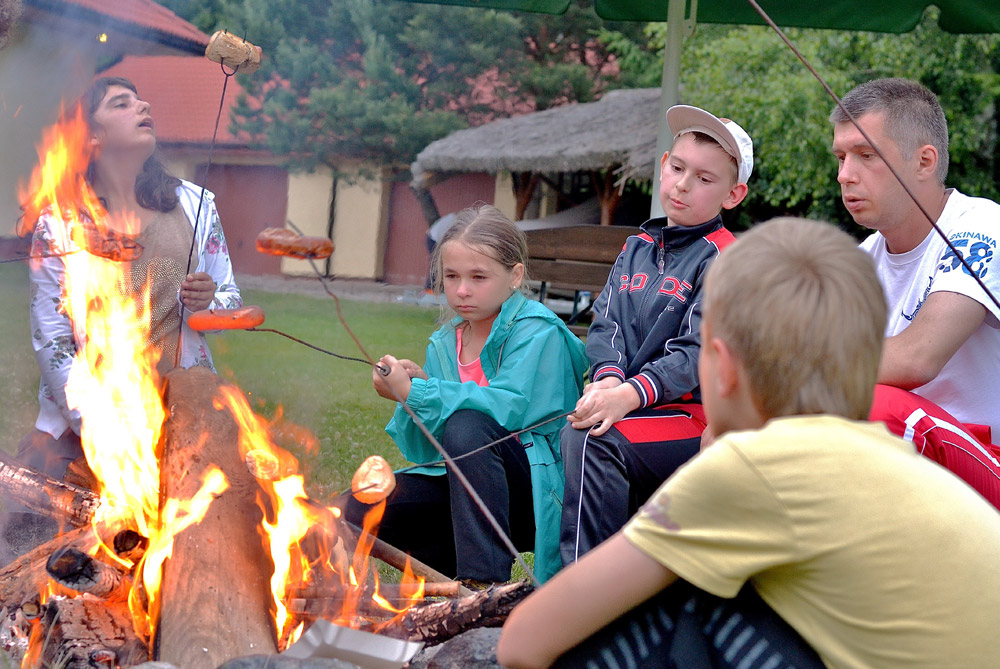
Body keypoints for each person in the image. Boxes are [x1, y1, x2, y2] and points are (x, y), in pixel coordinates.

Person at [498, 217, 1000, 669]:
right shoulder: (894, 458)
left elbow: (521, 642)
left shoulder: (756, 469)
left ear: (723, 364)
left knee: (686, 614)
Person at [344, 204, 588, 584]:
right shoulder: (444, 342)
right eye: (452, 276)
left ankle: (483, 584)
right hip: (465, 492)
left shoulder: (540, 332)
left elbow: (511, 409)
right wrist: (411, 394)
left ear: (514, 276)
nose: (461, 290)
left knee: (467, 425)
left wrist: (425, 394)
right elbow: (427, 450)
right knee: (357, 506)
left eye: (478, 277)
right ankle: (440, 578)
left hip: (534, 493)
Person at [17, 76, 241, 486]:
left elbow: (229, 302)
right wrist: (105, 430)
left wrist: (207, 302)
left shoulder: (195, 205)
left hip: (183, 416)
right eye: (122, 103)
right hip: (83, 428)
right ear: (91, 138)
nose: (144, 106)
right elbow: (53, 342)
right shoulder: (59, 225)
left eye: (140, 99)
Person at [559, 105, 751, 565]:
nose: (684, 184)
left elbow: (696, 354)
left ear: (733, 194)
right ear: (664, 166)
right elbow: (606, 322)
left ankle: (584, 594)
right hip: (633, 405)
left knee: (592, 439)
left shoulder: (729, 259)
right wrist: (606, 379)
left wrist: (627, 395)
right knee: (573, 427)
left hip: (696, 419)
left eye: (705, 179)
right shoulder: (637, 246)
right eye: (679, 168)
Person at [831, 77, 1000, 501]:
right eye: (840, 157)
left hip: (984, 459)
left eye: (865, 155)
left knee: (877, 407)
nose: (844, 175)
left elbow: (917, 358)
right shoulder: (860, 260)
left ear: (924, 162)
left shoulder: (981, 226)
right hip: (905, 463)